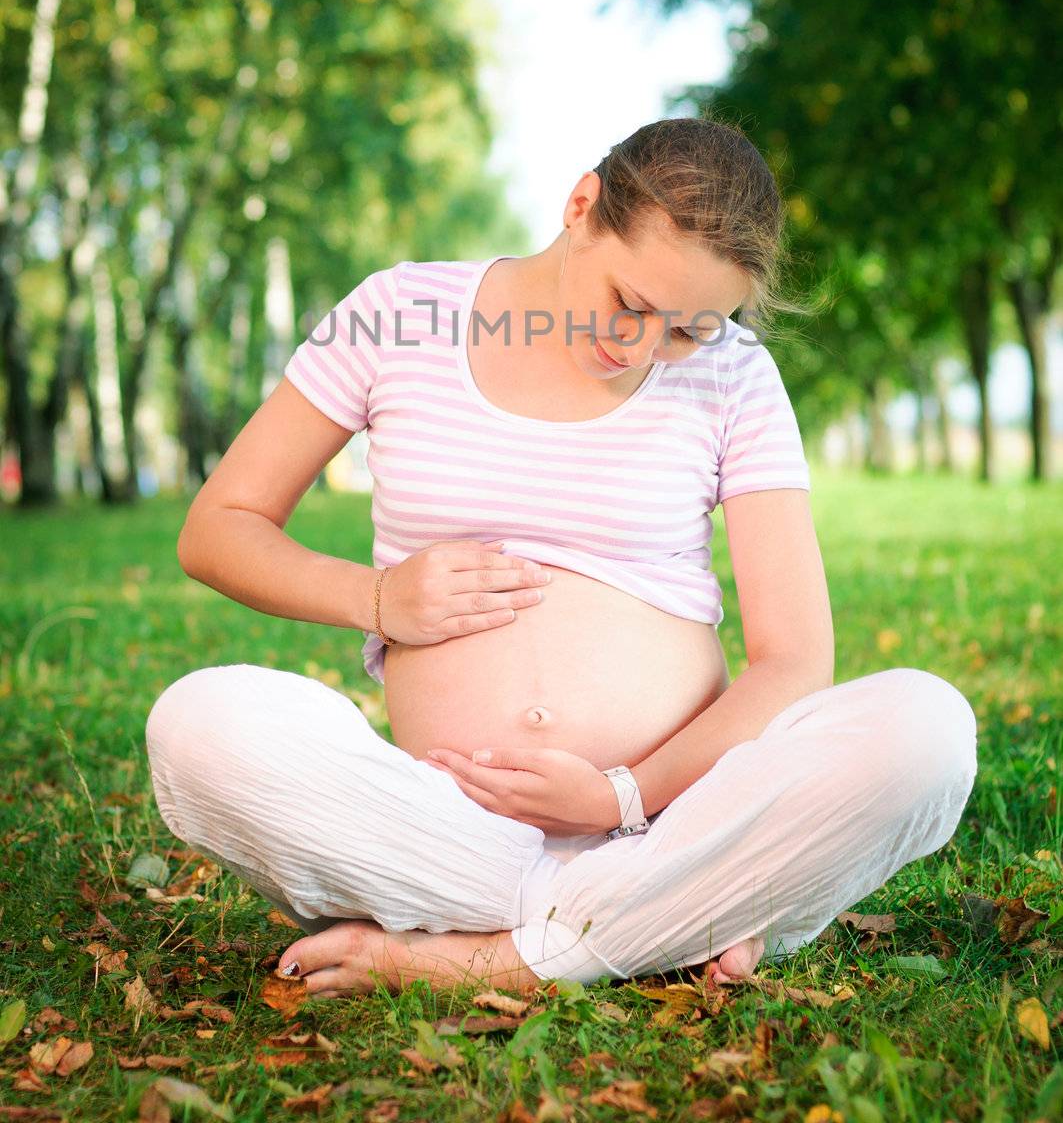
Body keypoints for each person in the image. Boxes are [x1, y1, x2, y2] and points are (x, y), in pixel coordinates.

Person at [145, 117, 978, 998]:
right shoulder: (399, 314)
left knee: (926, 730)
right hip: (448, 834)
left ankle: (484, 957)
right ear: (581, 207)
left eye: (688, 330)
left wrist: (621, 795)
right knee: (199, 723)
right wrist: (379, 598)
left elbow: (795, 660)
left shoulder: (735, 374)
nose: (643, 348)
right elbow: (219, 527)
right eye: (631, 303)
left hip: (667, 820)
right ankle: (657, 924)